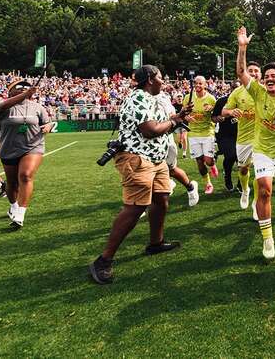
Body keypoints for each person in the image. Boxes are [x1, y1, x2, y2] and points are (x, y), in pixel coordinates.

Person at [89, 65, 192, 284]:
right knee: (135, 208)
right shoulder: (138, 99)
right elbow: (150, 130)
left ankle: (156, 243)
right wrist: (174, 121)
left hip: (156, 159)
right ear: (150, 80)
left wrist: (178, 117)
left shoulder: (154, 99)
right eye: (161, 78)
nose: (164, 81)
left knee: (162, 200)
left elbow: (163, 127)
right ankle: (103, 260)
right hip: (137, 159)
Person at [235, 27, 275, 258]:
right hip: (262, 150)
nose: (270, 77)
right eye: (267, 75)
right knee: (264, 189)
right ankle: (268, 239)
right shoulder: (258, 93)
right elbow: (241, 72)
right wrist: (242, 47)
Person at [0, 80, 55, 228]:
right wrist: (26, 94)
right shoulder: (2, 106)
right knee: (12, 184)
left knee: (25, 176)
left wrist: (49, 126)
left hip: (33, 146)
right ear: (10, 91)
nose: (24, 89)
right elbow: (2, 106)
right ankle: (13, 206)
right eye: (19, 88)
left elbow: (49, 122)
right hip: (9, 149)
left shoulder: (38, 107)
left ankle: (20, 214)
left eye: (26, 88)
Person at [221, 62, 261, 208]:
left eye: (257, 71)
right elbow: (224, 112)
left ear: (260, 74)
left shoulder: (265, 90)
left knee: (260, 172)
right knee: (243, 169)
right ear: (246, 73)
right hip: (243, 138)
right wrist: (231, 112)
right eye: (250, 71)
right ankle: (245, 190)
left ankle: (256, 202)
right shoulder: (237, 92)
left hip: (262, 139)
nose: (254, 73)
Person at [155, 90, 199, 208]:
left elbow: (172, 117)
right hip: (147, 143)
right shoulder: (138, 97)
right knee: (146, 171)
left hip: (165, 140)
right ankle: (138, 205)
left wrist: (182, 114)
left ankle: (190, 187)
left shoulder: (162, 97)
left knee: (172, 170)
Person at [184, 76, 218, 194]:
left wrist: (212, 108)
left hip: (207, 132)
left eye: (200, 84)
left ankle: (212, 165)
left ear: (205, 85)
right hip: (193, 133)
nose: (197, 86)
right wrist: (187, 117)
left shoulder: (211, 99)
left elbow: (216, 114)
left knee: (208, 161)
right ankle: (208, 183)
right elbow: (184, 113)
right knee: (199, 160)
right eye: (195, 83)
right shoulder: (188, 97)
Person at [212, 90, 239, 192]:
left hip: (243, 135)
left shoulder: (246, 101)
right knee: (231, 156)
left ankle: (241, 183)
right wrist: (218, 118)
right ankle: (227, 176)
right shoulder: (222, 101)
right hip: (225, 135)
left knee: (242, 162)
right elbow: (213, 118)